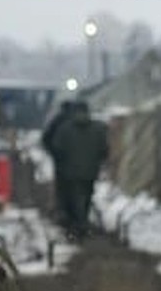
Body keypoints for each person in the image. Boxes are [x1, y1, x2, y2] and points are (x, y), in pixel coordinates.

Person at [41, 96, 110, 239]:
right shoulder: (98, 129)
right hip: (91, 171)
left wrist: (60, 161)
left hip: (69, 172)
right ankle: (81, 222)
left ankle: (77, 225)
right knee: (86, 197)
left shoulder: (64, 128)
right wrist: (96, 162)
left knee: (73, 198)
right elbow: (104, 150)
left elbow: (55, 146)